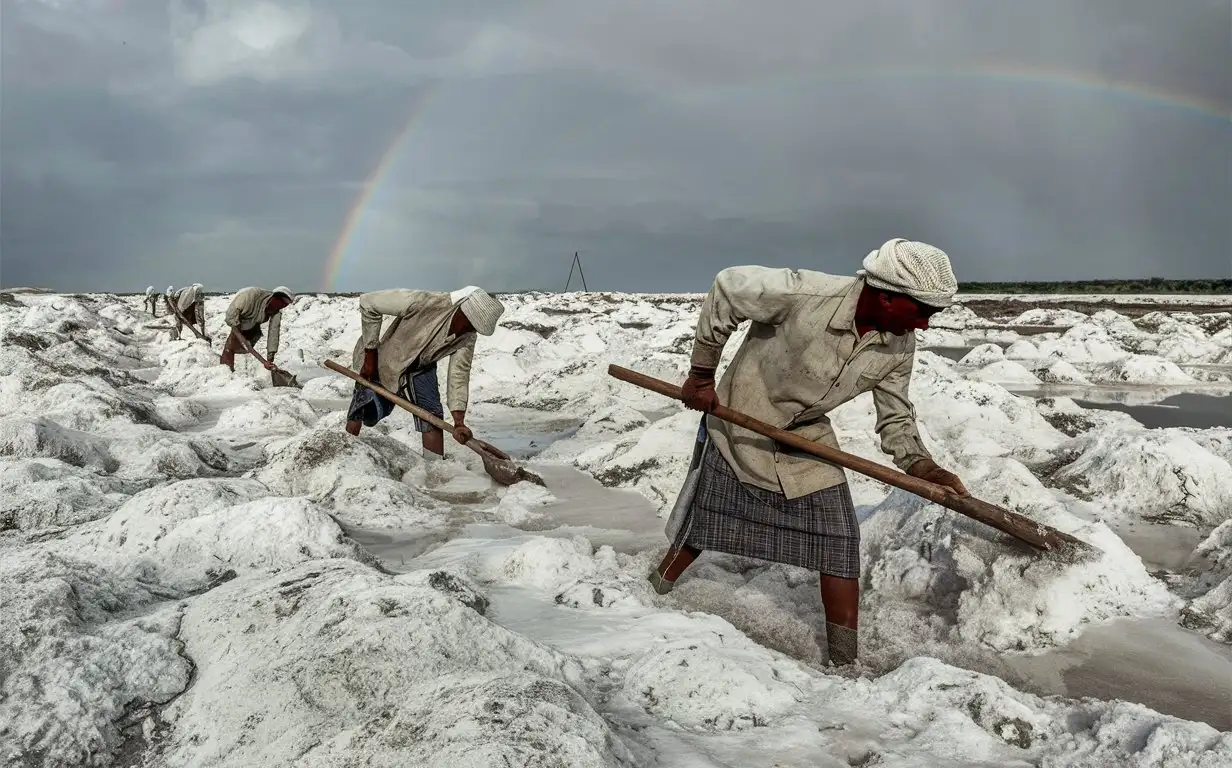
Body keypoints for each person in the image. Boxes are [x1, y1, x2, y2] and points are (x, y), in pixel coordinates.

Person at [649, 238, 970, 668]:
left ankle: (844, 664)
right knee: (706, 520)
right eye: (923, 311)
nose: (926, 325)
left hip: (806, 436)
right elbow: (727, 287)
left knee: (839, 538)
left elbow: (896, 416)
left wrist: (923, 466)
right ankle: (651, 592)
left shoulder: (899, 344)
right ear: (887, 295)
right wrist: (701, 375)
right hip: (742, 421)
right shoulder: (805, 293)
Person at [344, 286, 505, 458]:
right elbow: (368, 302)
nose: (468, 331)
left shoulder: (468, 336)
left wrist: (459, 422)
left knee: (433, 417)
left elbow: (459, 374)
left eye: (474, 329)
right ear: (460, 310)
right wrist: (370, 355)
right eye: (469, 324)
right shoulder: (424, 301)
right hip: (382, 355)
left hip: (420, 367)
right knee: (361, 406)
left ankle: (433, 469)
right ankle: (346, 451)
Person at [219, 286, 295, 372]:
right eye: (279, 304)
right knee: (230, 347)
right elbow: (231, 315)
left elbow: (274, 332)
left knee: (245, 347)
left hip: (254, 324)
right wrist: (238, 332)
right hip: (239, 318)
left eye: (282, 306)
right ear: (273, 298)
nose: (277, 308)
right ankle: (226, 372)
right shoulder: (249, 297)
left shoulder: (276, 310)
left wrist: (270, 357)